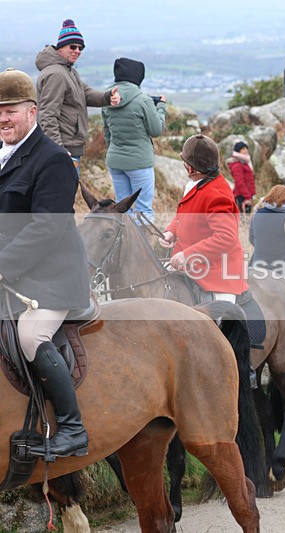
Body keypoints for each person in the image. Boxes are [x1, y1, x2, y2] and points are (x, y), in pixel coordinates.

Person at [0, 68, 90, 458]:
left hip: (52, 278)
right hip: (14, 274)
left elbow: (46, 229)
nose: (3, 117)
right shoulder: (4, 157)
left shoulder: (53, 160)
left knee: (30, 336)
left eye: (11, 110)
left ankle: (73, 428)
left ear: (32, 111)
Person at [159, 135, 248, 303]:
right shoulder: (195, 184)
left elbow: (227, 237)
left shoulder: (217, 195)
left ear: (191, 169)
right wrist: (171, 231)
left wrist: (187, 254)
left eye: (185, 161)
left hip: (216, 269)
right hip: (186, 261)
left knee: (221, 322)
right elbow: (183, 214)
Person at [35, 19, 121, 175]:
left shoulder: (68, 71)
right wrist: (57, 150)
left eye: (81, 47)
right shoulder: (56, 74)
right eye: (73, 46)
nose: (77, 50)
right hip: (63, 148)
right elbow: (47, 114)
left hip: (69, 147)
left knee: (66, 195)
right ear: (60, 47)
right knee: (62, 195)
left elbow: (86, 93)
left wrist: (108, 97)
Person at [102, 58, 166, 224]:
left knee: (123, 209)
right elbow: (156, 130)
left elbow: (107, 132)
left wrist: (115, 151)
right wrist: (161, 108)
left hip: (115, 161)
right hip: (139, 162)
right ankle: (142, 249)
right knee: (143, 210)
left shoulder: (106, 99)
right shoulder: (143, 100)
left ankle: (124, 248)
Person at [226, 141, 256, 215]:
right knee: (244, 218)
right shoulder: (237, 165)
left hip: (247, 194)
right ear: (238, 151)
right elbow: (239, 182)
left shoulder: (245, 162)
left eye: (246, 148)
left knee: (247, 217)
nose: (245, 150)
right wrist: (248, 196)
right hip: (242, 196)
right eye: (243, 149)